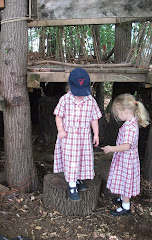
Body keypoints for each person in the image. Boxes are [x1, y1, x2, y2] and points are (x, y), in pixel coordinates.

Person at [53, 68, 102, 201]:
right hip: (69, 137)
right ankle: (72, 185)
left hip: (84, 137)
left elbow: (94, 118)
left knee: (82, 159)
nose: (80, 94)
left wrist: (96, 134)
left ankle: (78, 178)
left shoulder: (90, 100)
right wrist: (61, 130)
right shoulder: (65, 99)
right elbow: (58, 116)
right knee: (72, 160)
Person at [102, 93, 149, 216]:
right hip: (125, 158)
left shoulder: (129, 127)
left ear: (125, 111)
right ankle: (123, 199)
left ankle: (126, 207)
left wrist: (111, 148)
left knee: (126, 182)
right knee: (124, 180)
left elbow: (126, 146)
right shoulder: (131, 122)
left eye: (118, 112)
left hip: (126, 160)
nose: (117, 115)